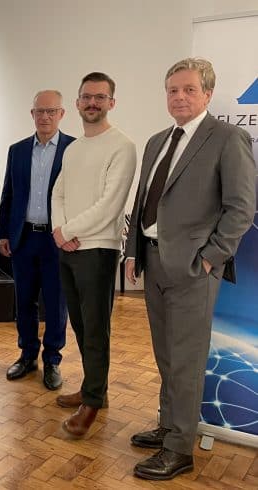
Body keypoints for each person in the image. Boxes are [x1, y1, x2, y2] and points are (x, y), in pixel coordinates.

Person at [124, 58, 255, 481]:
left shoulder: (228, 137)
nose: (179, 96)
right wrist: (132, 253)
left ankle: (179, 448)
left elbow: (241, 207)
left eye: (188, 89)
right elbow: (144, 200)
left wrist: (211, 256)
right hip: (154, 259)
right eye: (172, 90)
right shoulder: (157, 140)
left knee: (187, 359)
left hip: (194, 269)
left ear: (208, 94)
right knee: (166, 355)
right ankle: (169, 424)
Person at [51, 72, 136, 437]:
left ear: (112, 103)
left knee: (95, 330)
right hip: (69, 249)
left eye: (100, 98)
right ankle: (92, 390)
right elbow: (59, 195)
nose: (92, 103)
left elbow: (110, 205)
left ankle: (93, 402)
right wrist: (60, 233)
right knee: (81, 326)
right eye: (86, 97)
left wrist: (67, 231)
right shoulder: (73, 149)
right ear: (77, 103)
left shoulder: (122, 146)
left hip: (99, 250)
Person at [0, 90, 74, 391]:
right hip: (24, 237)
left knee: (56, 302)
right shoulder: (17, 150)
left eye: (51, 111)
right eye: (40, 111)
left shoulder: (74, 149)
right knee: (24, 301)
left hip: (57, 240)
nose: (45, 117)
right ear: (32, 114)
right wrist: (4, 232)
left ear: (61, 114)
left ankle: (52, 359)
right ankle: (28, 354)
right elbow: (9, 194)